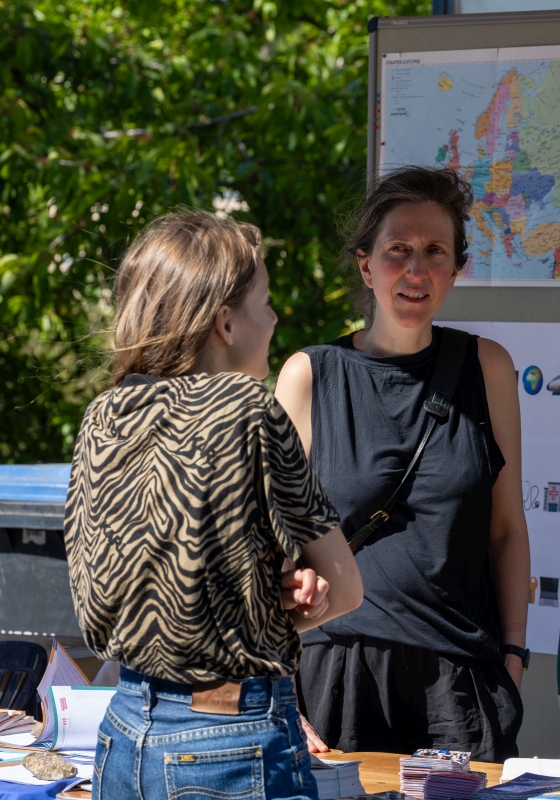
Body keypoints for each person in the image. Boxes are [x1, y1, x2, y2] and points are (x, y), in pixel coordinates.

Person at [64, 210, 363, 800]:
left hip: (123, 734)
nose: (276, 319)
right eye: (266, 303)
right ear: (225, 322)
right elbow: (346, 588)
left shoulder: (103, 416)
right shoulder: (248, 407)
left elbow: (123, 591)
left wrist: (257, 594)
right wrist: (290, 606)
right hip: (231, 741)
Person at [275, 166, 530, 760]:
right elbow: (271, 546)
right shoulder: (309, 375)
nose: (416, 271)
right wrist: (280, 684)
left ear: (456, 268)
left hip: (460, 683)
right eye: (398, 251)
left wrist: (514, 657)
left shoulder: (488, 367)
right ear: (366, 265)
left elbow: (507, 530)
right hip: (335, 672)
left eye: (435, 251)